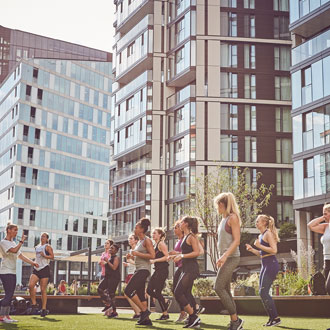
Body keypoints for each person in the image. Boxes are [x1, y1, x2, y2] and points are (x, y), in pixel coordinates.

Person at [214, 192, 243, 330]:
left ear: (222, 204)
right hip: (225, 258)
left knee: (218, 287)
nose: (216, 208)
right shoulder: (223, 219)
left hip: (232, 258)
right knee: (225, 289)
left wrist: (224, 256)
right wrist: (221, 257)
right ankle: (235, 322)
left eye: (217, 205)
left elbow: (237, 240)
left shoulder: (233, 218)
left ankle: (236, 320)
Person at [246, 215, 281, 327]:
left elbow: (274, 250)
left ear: (265, 223)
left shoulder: (268, 234)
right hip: (264, 264)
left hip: (271, 264)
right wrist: (252, 249)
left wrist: (259, 245)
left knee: (263, 292)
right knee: (262, 293)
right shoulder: (260, 235)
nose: (256, 223)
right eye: (256, 221)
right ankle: (272, 318)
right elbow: (262, 254)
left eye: (258, 221)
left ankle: (275, 318)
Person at [0, 223, 38, 323]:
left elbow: (20, 256)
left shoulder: (13, 242)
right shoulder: (3, 242)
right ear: (8, 230)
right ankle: (2, 316)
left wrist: (33, 262)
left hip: (12, 271)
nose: (16, 232)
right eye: (15, 230)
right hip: (5, 271)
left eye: (17, 230)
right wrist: (21, 241)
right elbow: (14, 250)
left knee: (10, 295)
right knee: (8, 296)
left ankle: (6, 317)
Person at [169, 220, 205, 323]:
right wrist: (175, 255)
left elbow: (197, 252)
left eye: (183, 222)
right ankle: (193, 316)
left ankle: (193, 315)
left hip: (191, 269)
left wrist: (181, 255)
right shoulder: (185, 237)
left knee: (178, 292)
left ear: (187, 224)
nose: (180, 223)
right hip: (185, 268)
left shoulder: (191, 236)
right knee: (181, 292)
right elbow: (185, 252)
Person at [124, 218, 155, 326]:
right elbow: (138, 255)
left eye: (136, 227)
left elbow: (152, 256)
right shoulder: (140, 242)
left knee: (128, 290)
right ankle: (146, 320)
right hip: (139, 269)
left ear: (141, 229)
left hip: (143, 270)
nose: (134, 229)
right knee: (141, 295)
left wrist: (136, 254)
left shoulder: (147, 240)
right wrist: (131, 256)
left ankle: (144, 311)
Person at [28, 232, 54, 317]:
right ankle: (34, 305)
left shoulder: (48, 246)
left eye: (44, 236)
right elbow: (37, 257)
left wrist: (44, 255)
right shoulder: (37, 247)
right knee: (31, 285)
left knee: (43, 289)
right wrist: (34, 262)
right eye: (41, 236)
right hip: (36, 268)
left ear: (47, 239)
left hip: (44, 269)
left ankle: (43, 309)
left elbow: (52, 257)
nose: (42, 237)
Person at [147, 228, 170, 320]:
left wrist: (155, 260)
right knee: (149, 290)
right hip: (157, 270)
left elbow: (167, 257)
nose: (153, 235)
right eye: (152, 233)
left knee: (156, 292)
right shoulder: (155, 244)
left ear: (160, 235)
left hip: (162, 270)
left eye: (155, 233)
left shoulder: (161, 244)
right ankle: (165, 301)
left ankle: (165, 314)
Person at [308, 203, 330, 295]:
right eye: (323, 213)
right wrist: (322, 218)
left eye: (326, 212)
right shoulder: (326, 227)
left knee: (328, 286)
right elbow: (310, 225)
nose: (324, 214)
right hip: (327, 261)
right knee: (325, 289)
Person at [98, 243, 120, 318]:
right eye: (110, 248)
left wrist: (107, 262)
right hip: (107, 277)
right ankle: (108, 303)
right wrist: (103, 263)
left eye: (112, 248)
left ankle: (114, 312)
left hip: (114, 278)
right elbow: (109, 265)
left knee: (111, 294)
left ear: (116, 250)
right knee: (100, 289)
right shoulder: (110, 257)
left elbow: (114, 268)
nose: (110, 249)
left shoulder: (116, 258)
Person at [123, 234, 140, 318]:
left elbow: (139, 263)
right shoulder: (130, 251)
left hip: (135, 273)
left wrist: (129, 261)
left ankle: (139, 312)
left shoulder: (138, 250)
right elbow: (132, 263)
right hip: (130, 273)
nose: (129, 240)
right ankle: (138, 312)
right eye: (129, 238)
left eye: (131, 238)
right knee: (128, 294)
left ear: (136, 240)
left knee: (129, 293)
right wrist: (127, 263)